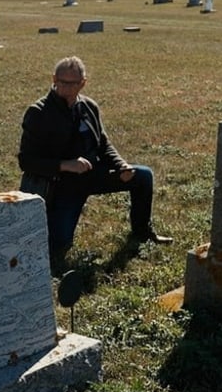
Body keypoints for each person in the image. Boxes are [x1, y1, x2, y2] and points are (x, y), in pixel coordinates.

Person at [17, 56, 171, 270]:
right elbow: (27, 161)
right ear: (53, 79)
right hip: (61, 186)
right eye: (61, 82)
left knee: (143, 176)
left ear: (83, 83)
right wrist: (66, 164)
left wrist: (121, 165)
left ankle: (142, 232)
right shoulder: (39, 112)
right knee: (59, 245)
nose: (66, 88)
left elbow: (103, 144)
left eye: (73, 83)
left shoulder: (89, 107)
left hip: (93, 176)